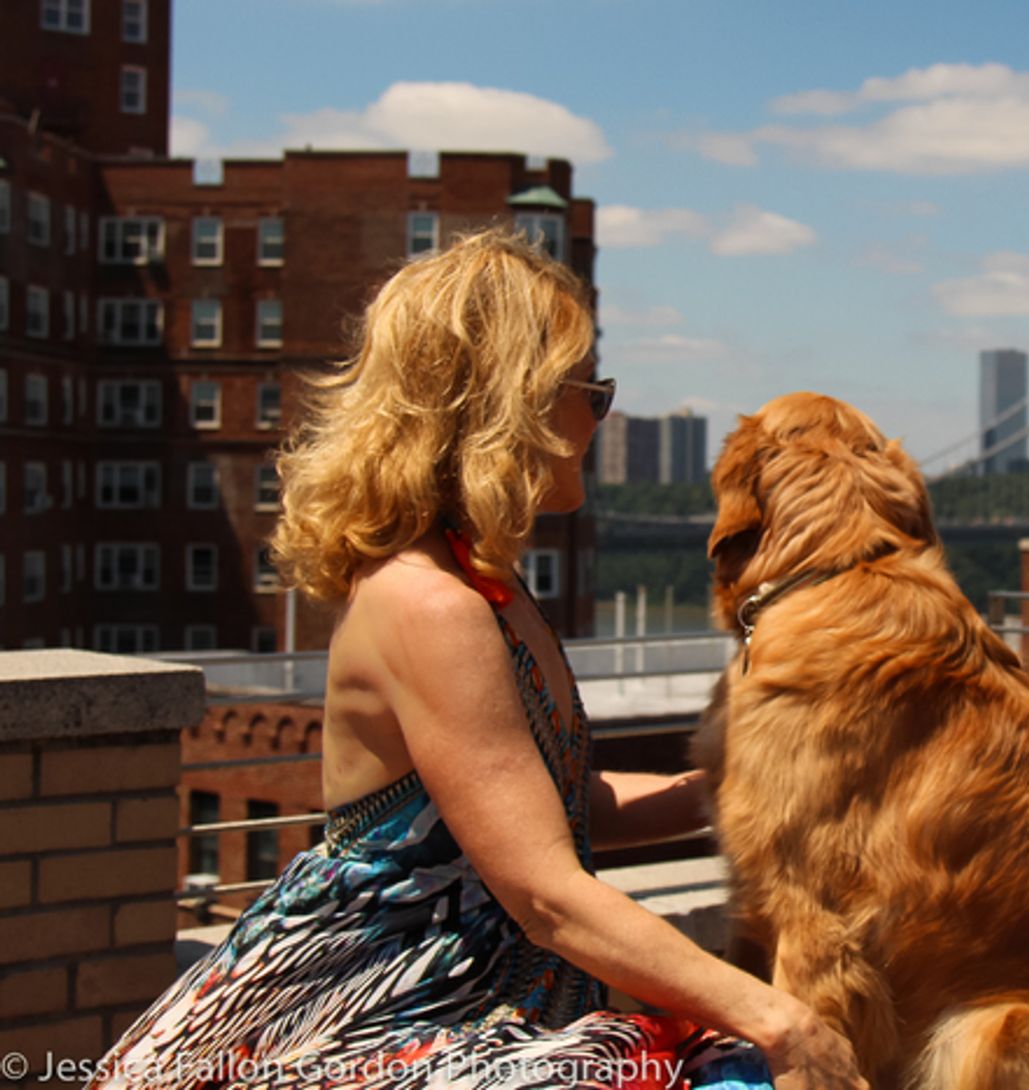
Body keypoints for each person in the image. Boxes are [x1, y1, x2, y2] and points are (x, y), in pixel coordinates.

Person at [87, 230, 866, 1090]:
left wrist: (756, 795)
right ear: (512, 403)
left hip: (480, 996)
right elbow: (546, 896)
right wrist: (780, 1019)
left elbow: (564, 810)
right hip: (374, 1010)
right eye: (588, 390)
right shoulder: (431, 605)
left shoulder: (488, 587)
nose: (599, 415)